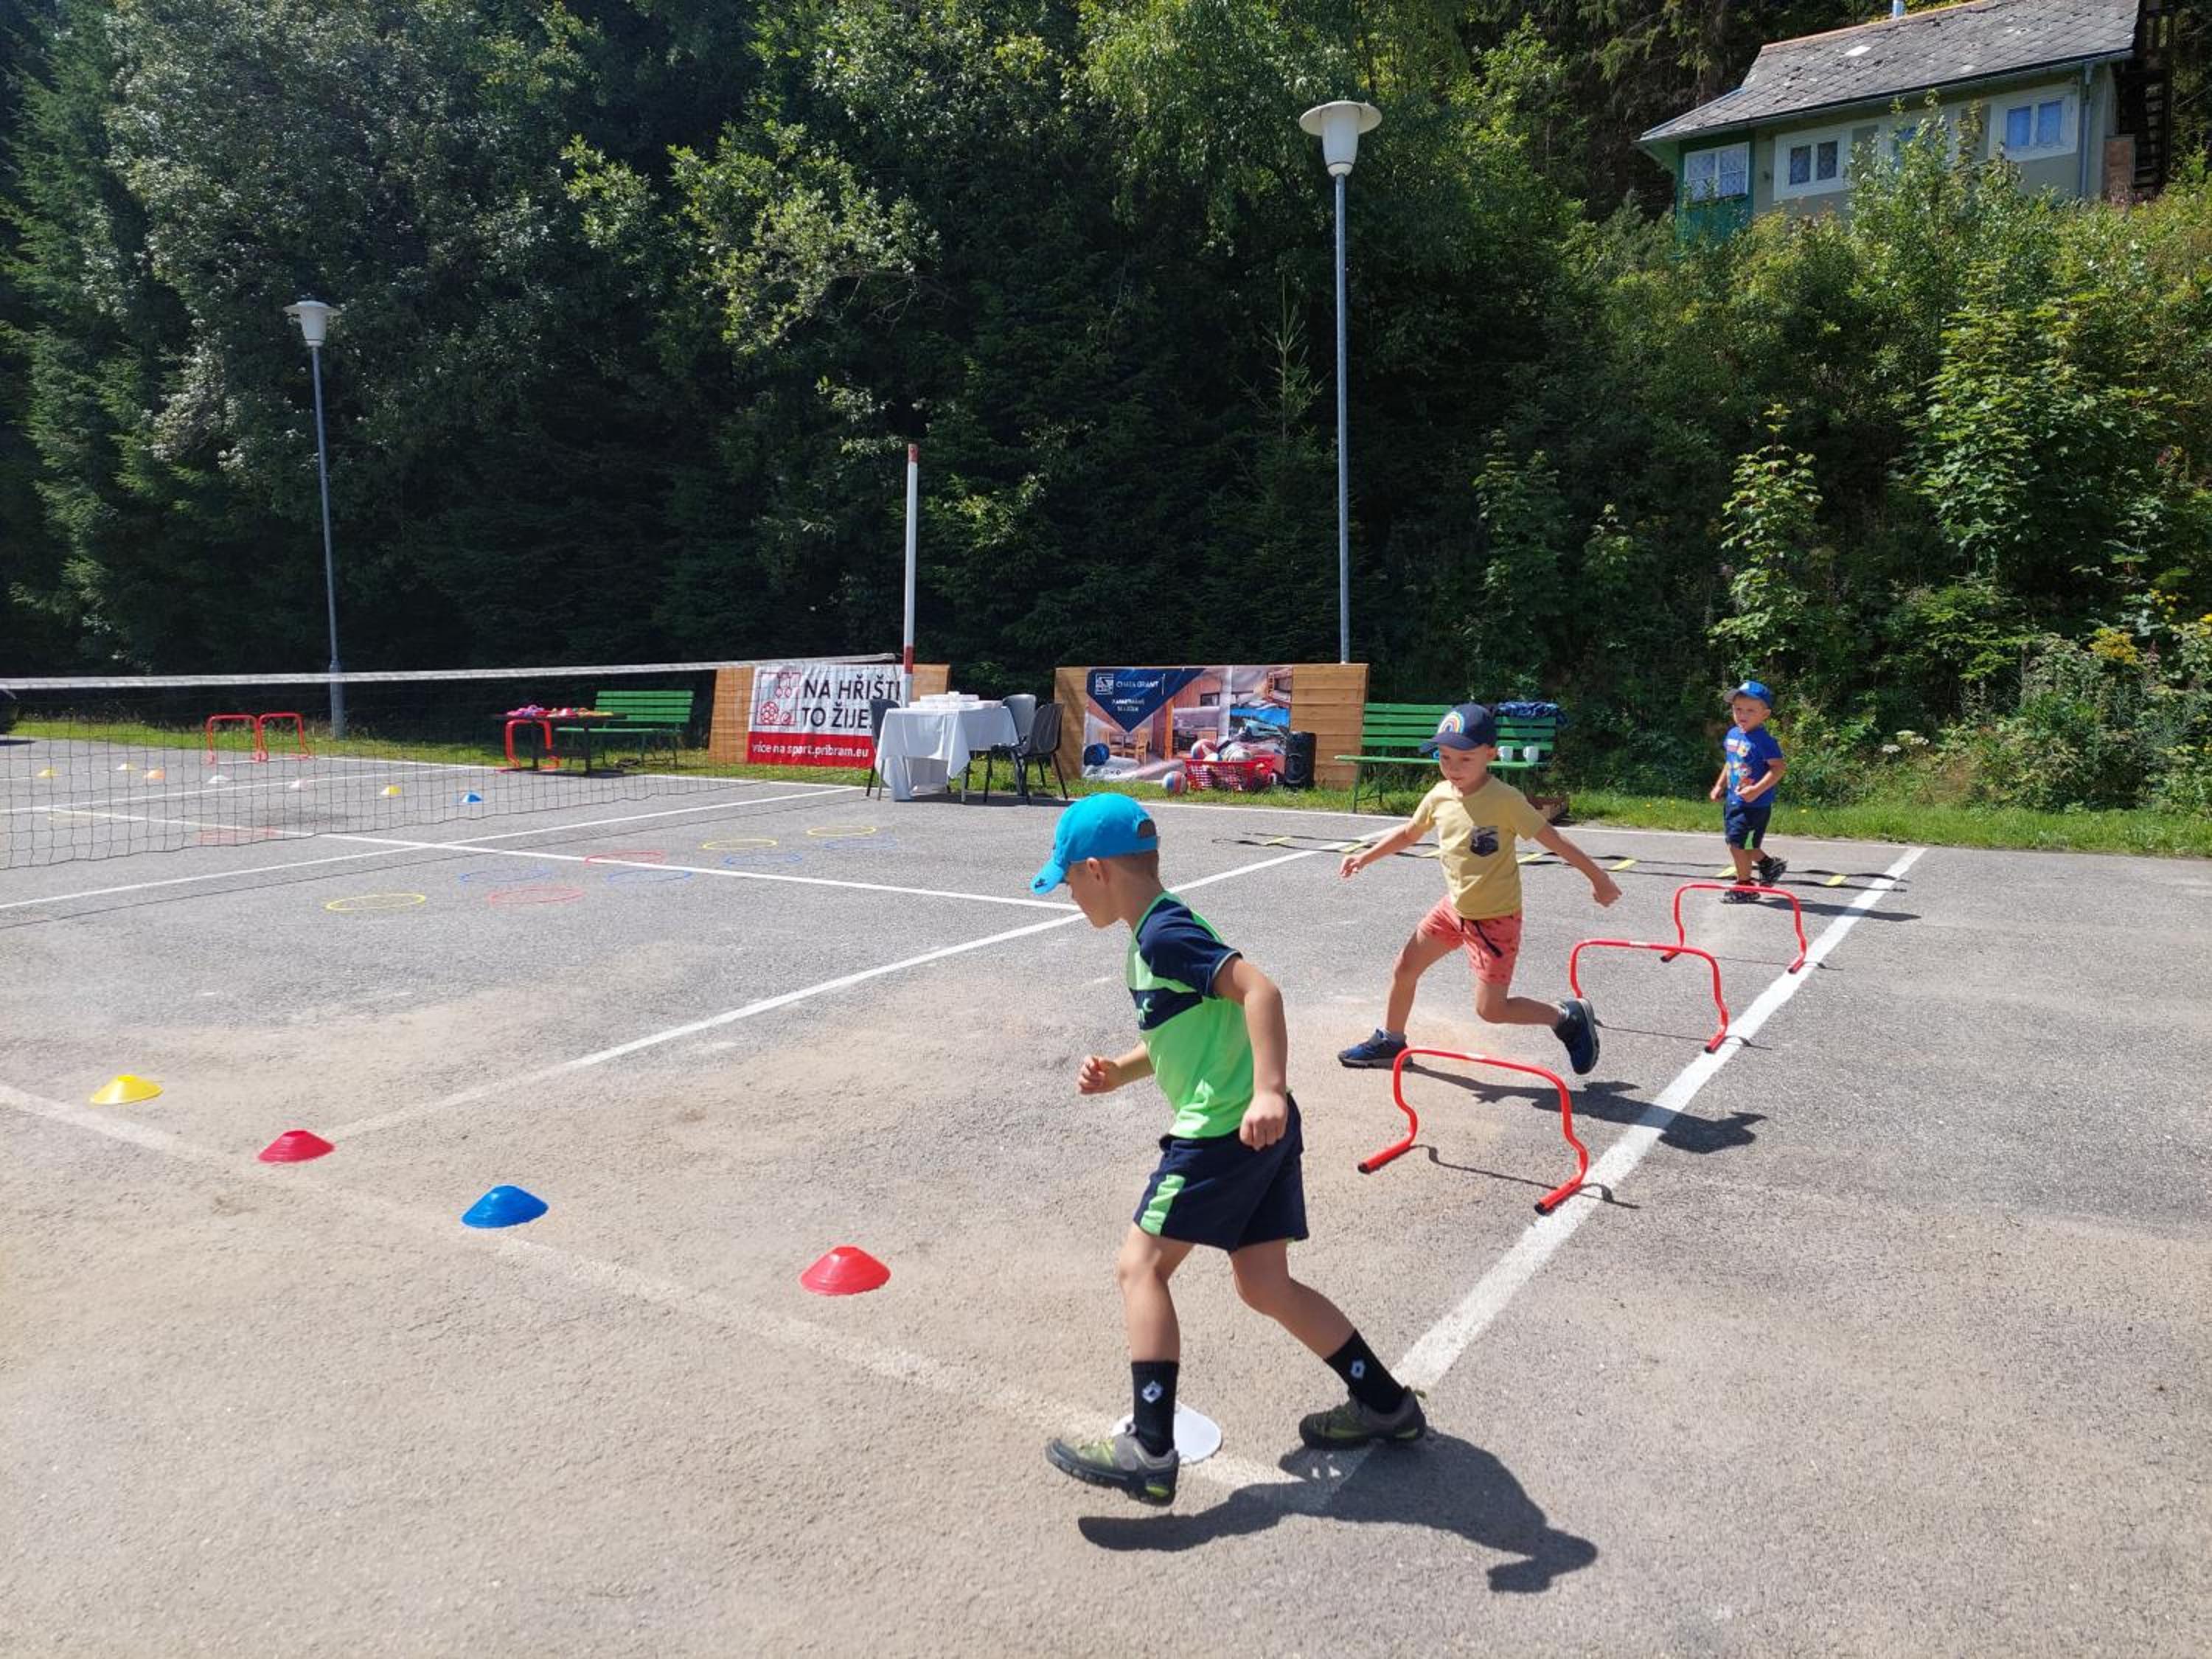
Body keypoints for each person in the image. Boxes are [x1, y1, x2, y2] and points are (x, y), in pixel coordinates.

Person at [1032, 794, 1425, 1507]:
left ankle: (1151, 1450)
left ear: (1097, 870)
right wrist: (1121, 1072)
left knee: (1140, 1267)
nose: (1068, 894)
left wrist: (1268, 1088)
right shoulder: (1156, 931)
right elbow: (1191, 1029)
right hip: (1255, 1129)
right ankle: (1385, 1402)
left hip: (1223, 1130)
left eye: (1068, 880)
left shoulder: (1162, 934)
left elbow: (1260, 992)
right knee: (1265, 1284)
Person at [1337, 703, 1621, 1074]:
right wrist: (1365, 857)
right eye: (1445, 757)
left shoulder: (1506, 800)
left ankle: (1565, 1017)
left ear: (1491, 754)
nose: (1453, 768)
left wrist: (1599, 878)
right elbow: (1409, 833)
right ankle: (1391, 1041)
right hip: (1454, 910)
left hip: (1495, 920)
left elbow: (1554, 840)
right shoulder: (1440, 795)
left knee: (1491, 1010)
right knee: (1405, 968)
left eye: (1465, 759)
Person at [1711, 681, 1788, 902]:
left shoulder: (1764, 741)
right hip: (1734, 801)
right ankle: (1769, 865)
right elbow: (1731, 763)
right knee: (1740, 843)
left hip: (1755, 806)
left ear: (1765, 714)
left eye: (1750, 711)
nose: (1742, 715)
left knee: (1738, 845)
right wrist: (1720, 785)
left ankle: (1745, 886)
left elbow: (1778, 768)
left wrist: (1756, 790)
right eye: (1738, 709)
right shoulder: (1733, 734)